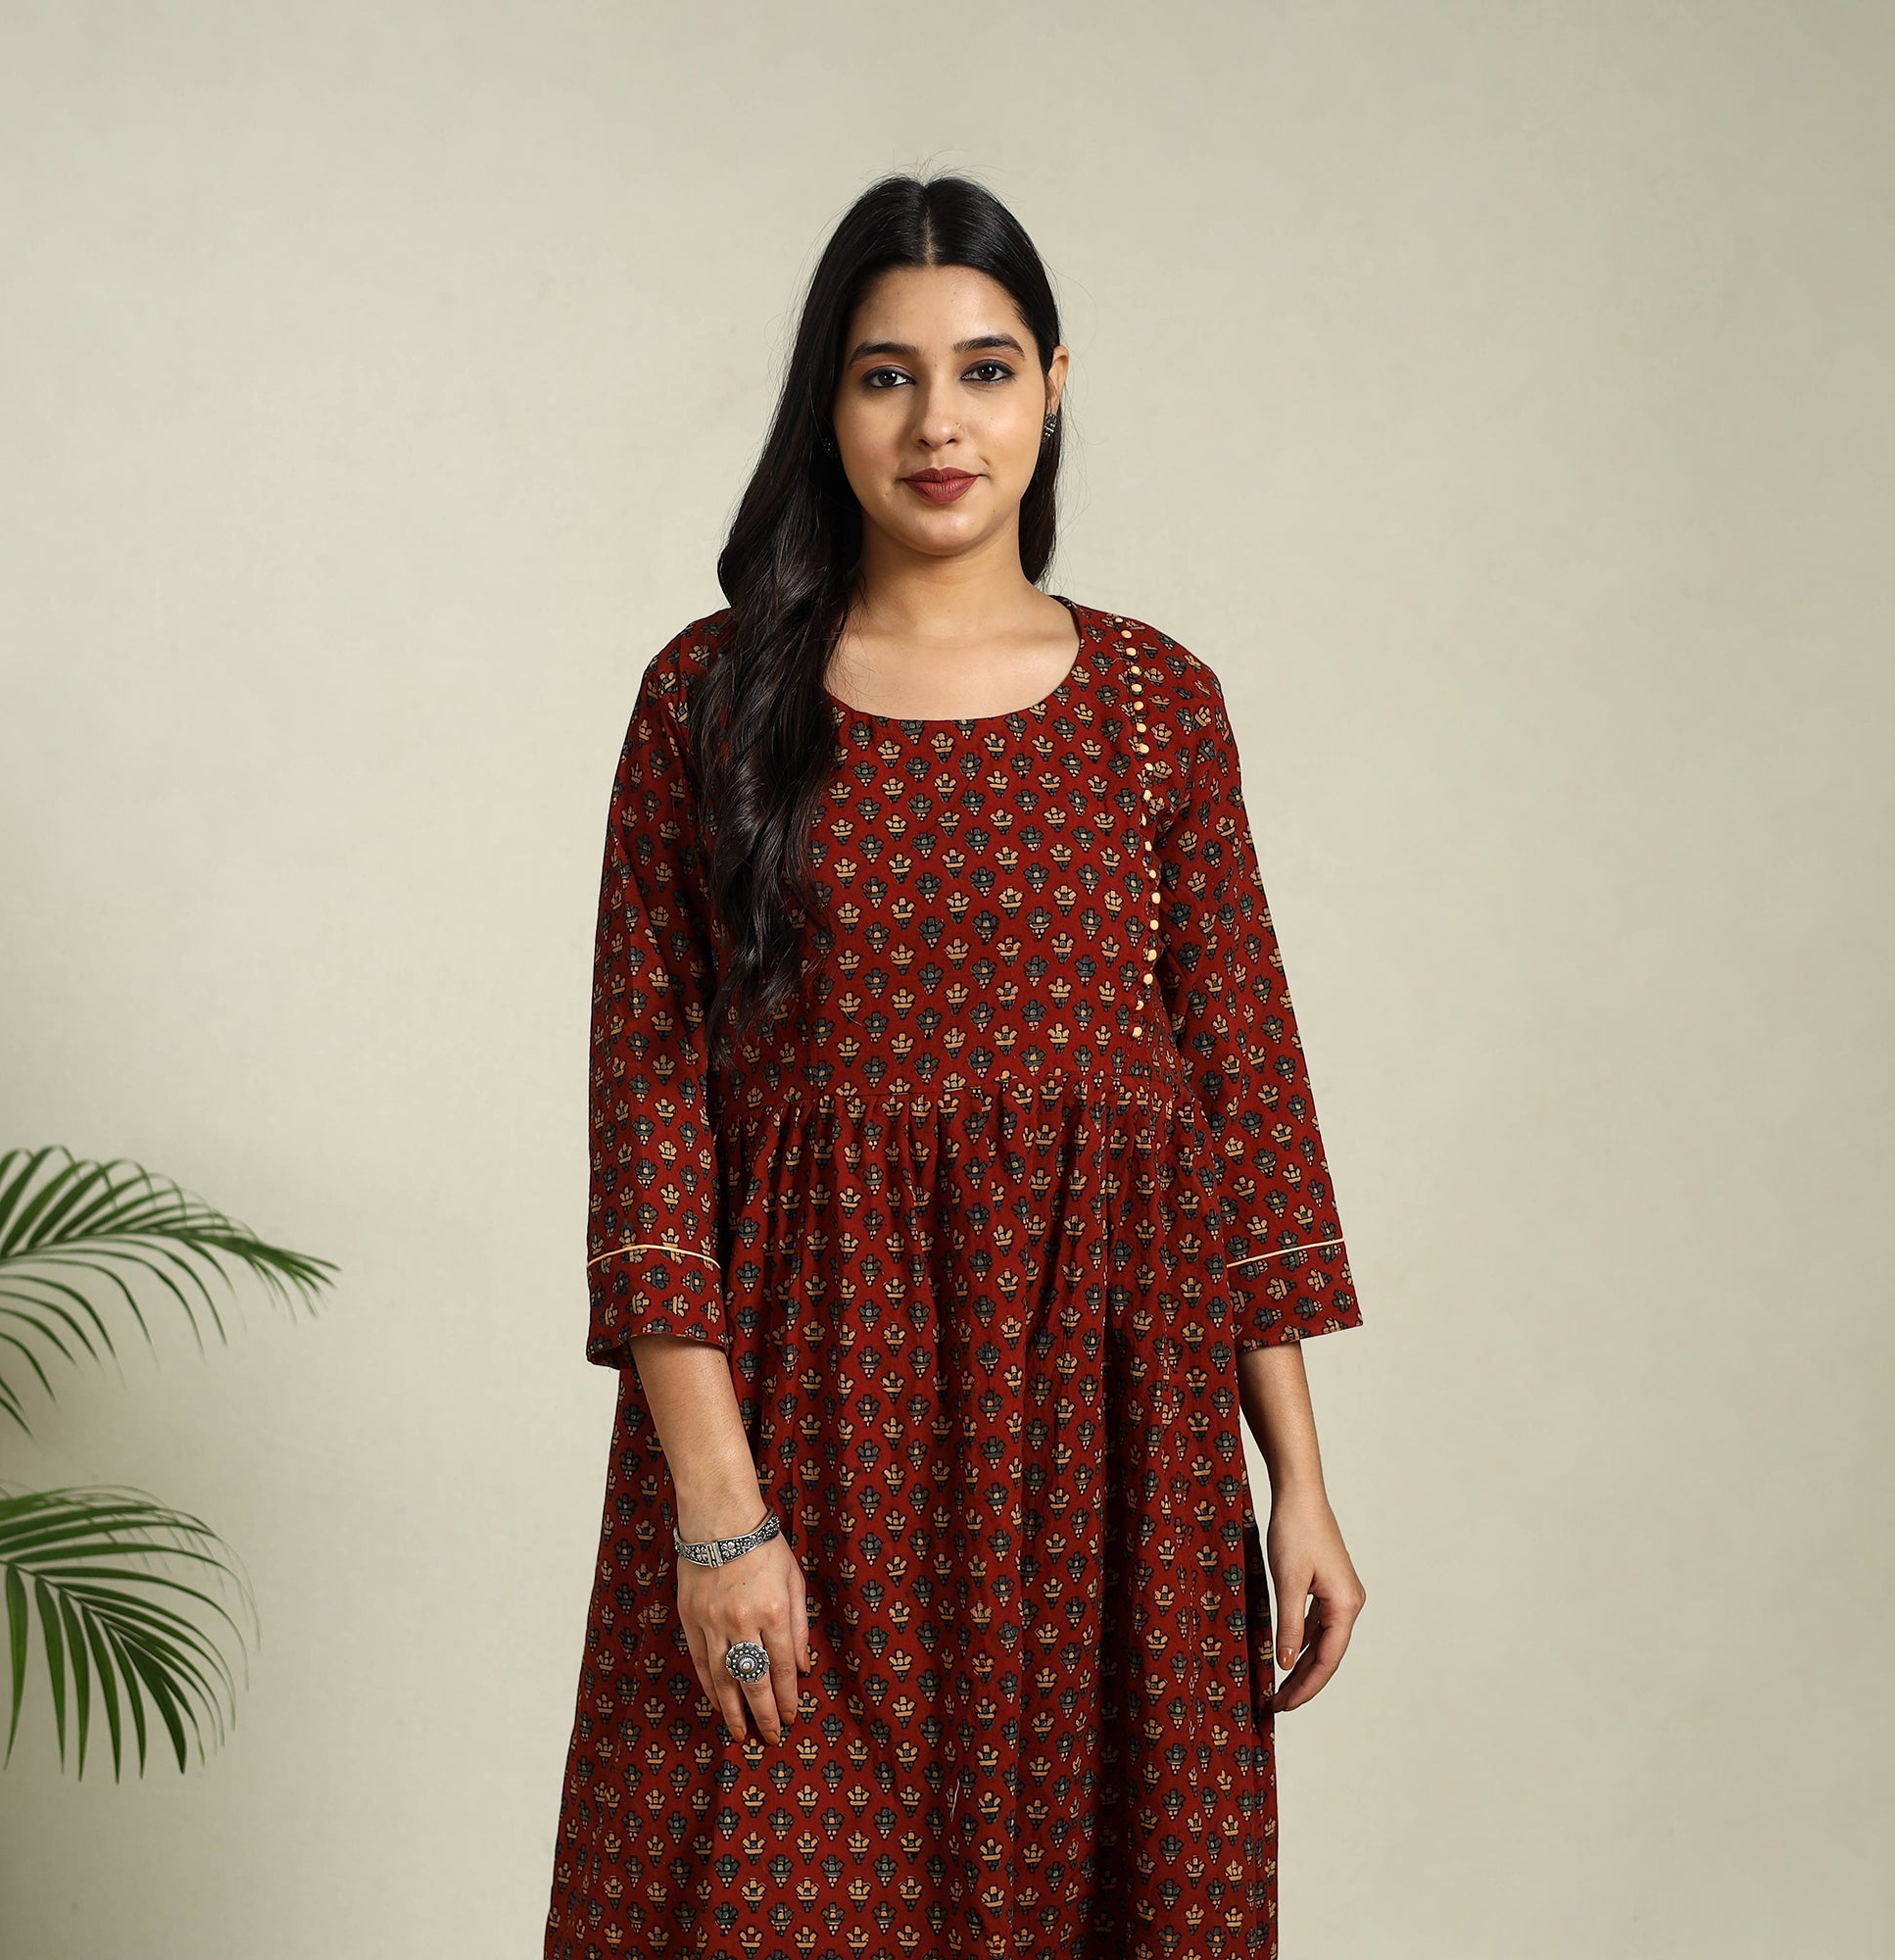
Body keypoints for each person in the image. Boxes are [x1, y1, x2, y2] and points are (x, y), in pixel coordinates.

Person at [545, 171, 1369, 1960]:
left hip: (1115, 1446)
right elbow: (651, 1121)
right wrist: (718, 1519)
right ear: (826, 405)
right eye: (886, 376)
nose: (939, 424)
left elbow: (1243, 1089)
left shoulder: (1157, 702)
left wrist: (1297, 1480)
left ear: (1054, 388)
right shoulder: (710, 702)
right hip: (805, 1426)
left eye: (985, 371)